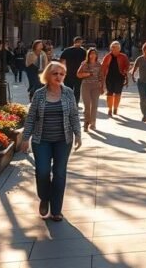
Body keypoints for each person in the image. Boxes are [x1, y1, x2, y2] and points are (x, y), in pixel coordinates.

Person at [19, 61, 81, 222]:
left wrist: (78, 135)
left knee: (60, 174)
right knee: (43, 171)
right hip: (42, 141)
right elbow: (31, 117)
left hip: (63, 140)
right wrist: (25, 138)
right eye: (55, 73)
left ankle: (56, 210)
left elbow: (74, 115)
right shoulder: (39, 94)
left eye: (61, 74)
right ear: (48, 75)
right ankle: (44, 198)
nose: (58, 76)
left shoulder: (68, 93)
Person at [100, 41, 130, 117]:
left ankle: (115, 108)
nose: (114, 49)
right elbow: (103, 66)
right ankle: (110, 109)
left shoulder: (123, 56)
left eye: (116, 47)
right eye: (113, 47)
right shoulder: (107, 56)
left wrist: (126, 70)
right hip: (109, 77)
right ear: (111, 48)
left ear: (119, 49)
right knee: (109, 93)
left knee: (118, 93)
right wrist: (102, 77)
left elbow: (127, 65)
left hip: (120, 77)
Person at [77, 48, 103, 132]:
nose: (93, 55)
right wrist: (88, 74)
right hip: (86, 86)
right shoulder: (84, 64)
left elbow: (101, 77)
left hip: (96, 87)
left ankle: (93, 123)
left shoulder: (99, 64)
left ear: (96, 55)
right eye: (91, 54)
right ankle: (86, 123)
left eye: (94, 54)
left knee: (94, 105)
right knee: (87, 106)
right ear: (88, 55)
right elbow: (78, 74)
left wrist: (102, 87)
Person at [60, 37, 87, 107]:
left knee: (68, 89)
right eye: (80, 42)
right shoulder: (83, 51)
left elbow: (62, 62)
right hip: (78, 73)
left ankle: (68, 103)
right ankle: (75, 103)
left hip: (68, 73)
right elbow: (86, 62)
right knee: (77, 89)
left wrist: (63, 72)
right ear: (80, 42)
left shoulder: (67, 50)